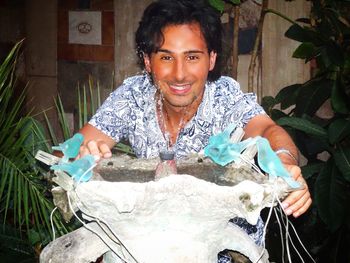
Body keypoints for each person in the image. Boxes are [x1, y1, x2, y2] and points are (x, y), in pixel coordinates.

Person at [78, 0, 311, 261]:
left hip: (227, 254)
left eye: (192, 57)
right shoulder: (133, 96)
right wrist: (84, 155)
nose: (180, 75)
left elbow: (267, 130)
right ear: (147, 61)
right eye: (166, 57)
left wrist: (285, 163)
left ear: (211, 59)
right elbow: (80, 149)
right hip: (152, 248)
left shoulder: (225, 97)